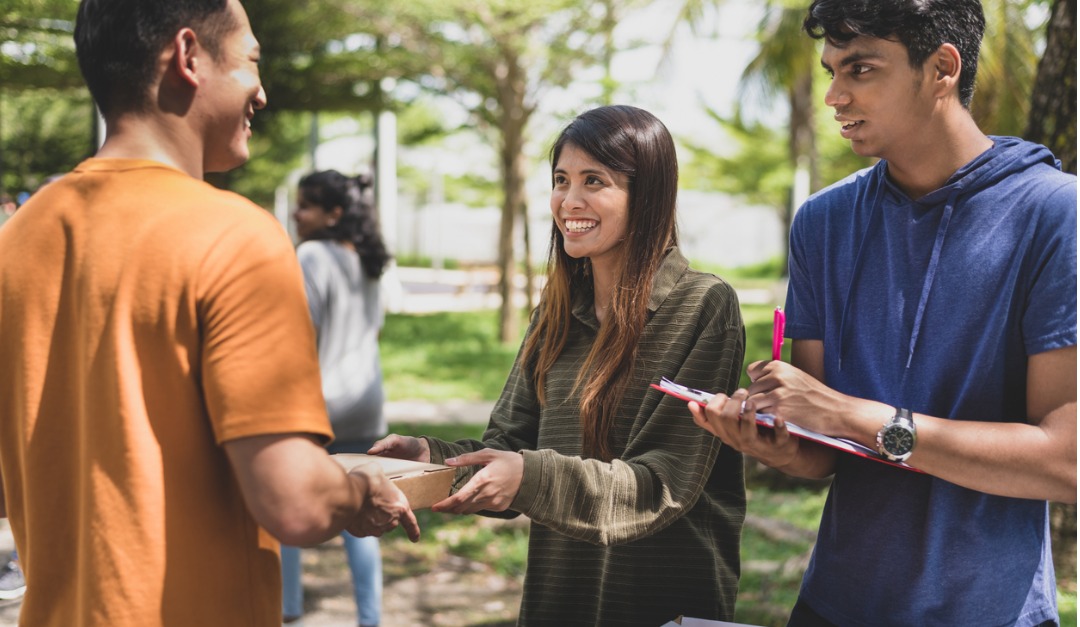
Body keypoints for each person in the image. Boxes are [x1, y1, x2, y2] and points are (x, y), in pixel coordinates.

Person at [0, 1, 420, 625]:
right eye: (252, 61)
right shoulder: (236, 236)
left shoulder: (19, 236)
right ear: (188, 56)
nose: (262, 92)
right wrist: (358, 490)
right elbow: (295, 502)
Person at [689, 1, 1077, 626]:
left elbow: (1066, 461)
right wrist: (776, 440)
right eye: (830, 72)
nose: (834, 97)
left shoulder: (1055, 215)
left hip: (989, 614)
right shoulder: (822, 223)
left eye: (860, 69)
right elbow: (823, 452)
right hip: (833, 607)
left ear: (942, 67)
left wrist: (852, 415)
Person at [370, 105, 747, 626]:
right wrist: (430, 459)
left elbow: (663, 485)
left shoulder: (703, 306)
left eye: (596, 181)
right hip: (559, 601)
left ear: (649, 195)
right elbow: (508, 450)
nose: (570, 201)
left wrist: (528, 476)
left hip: (664, 606)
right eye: (561, 180)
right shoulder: (554, 313)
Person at [281, 170, 392, 626]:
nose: (295, 212)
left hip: (319, 406)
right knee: (362, 515)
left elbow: (301, 335)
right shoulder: (366, 258)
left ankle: (288, 607)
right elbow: (375, 328)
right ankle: (371, 618)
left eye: (305, 205)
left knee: (287, 508)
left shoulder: (310, 255)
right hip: (367, 402)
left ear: (334, 213)